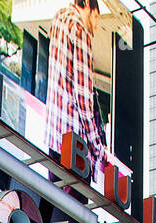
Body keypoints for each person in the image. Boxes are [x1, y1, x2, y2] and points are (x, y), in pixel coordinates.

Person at [45, 0, 107, 181]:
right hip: (75, 150)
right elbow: (83, 98)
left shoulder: (58, 19)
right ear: (87, 3)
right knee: (73, 208)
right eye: (96, 17)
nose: (95, 27)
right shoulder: (80, 31)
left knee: (52, 201)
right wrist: (98, 148)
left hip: (54, 138)